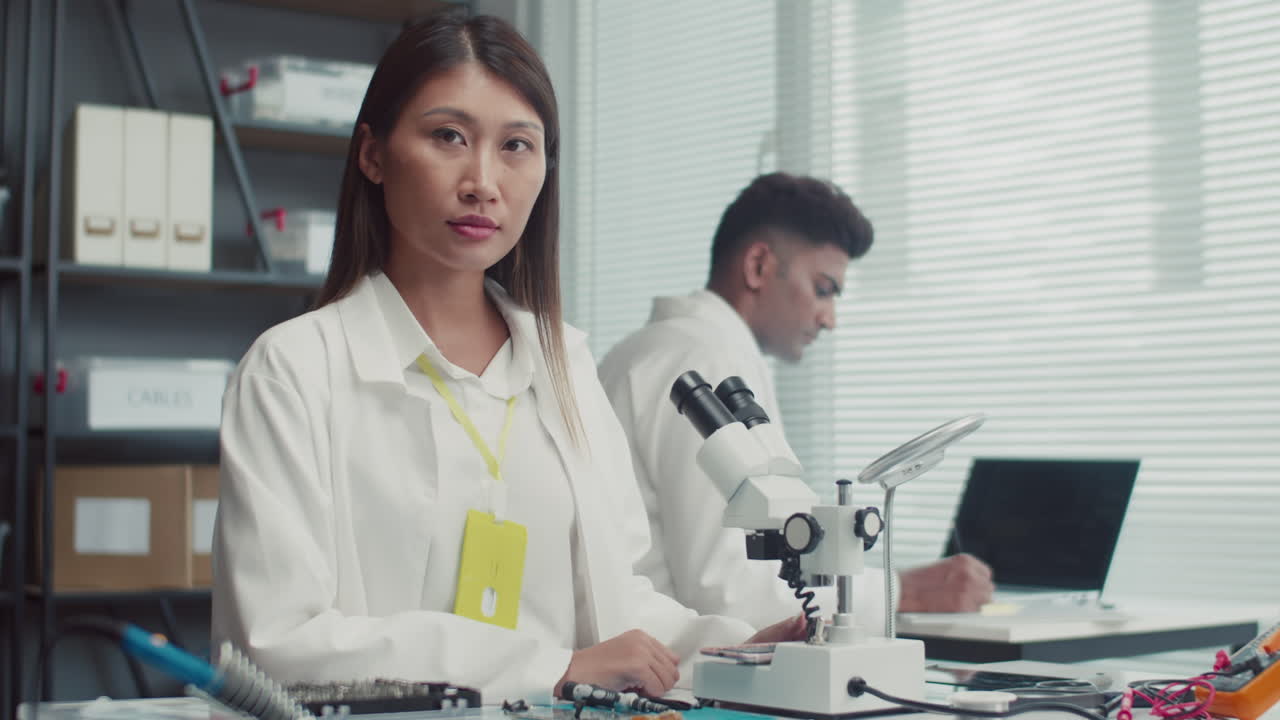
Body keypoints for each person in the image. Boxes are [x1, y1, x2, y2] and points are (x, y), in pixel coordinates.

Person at [210, 14, 804, 705]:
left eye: (517, 145)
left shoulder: (565, 368)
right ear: (372, 154)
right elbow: (276, 642)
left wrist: (731, 653)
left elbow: (617, 603)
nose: (483, 182)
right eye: (448, 136)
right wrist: (551, 667)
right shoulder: (292, 371)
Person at [598, 173, 995, 632]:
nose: (829, 319)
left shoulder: (646, 349)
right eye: (823, 289)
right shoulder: (705, 357)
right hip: (670, 661)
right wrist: (905, 590)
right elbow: (729, 590)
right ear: (759, 266)